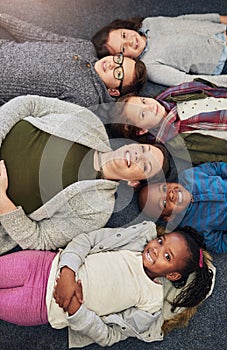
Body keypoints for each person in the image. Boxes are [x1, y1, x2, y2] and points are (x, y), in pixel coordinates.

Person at [0, 95, 171, 255]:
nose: (138, 155)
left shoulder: (97, 211)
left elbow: (40, 239)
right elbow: (30, 104)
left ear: (134, 182)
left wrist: (3, 202)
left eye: (146, 165)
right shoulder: (91, 122)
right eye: (143, 149)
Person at [0, 221, 215, 348]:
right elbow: (87, 240)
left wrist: (76, 310)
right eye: (161, 241)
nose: (156, 250)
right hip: (43, 266)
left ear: (174, 276)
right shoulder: (132, 244)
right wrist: (67, 272)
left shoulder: (150, 303)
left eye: (167, 256)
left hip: (42, 307)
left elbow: (109, 336)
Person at [0, 13, 146, 108]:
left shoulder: (86, 99)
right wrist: (4, 19)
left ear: (113, 91)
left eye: (118, 73)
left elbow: (34, 111)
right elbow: (40, 36)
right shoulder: (85, 47)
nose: (112, 64)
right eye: (119, 59)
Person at [109, 80, 227, 166]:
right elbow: (215, 158)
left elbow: (210, 89)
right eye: (143, 114)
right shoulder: (175, 144)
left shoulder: (172, 95)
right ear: (142, 130)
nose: (150, 106)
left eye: (143, 101)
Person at [92, 13, 227, 87]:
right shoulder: (151, 66)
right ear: (124, 59)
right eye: (123, 48)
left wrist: (217, 18)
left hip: (225, 30)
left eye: (124, 34)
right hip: (226, 59)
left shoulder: (148, 23)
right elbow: (186, 81)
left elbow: (183, 19)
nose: (129, 41)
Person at [138, 162, 227, 254]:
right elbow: (220, 245)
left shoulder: (188, 176)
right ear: (169, 217)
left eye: (164, 188)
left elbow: (216, 168)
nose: (170, 194)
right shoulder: (193, 227)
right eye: (164, 203)